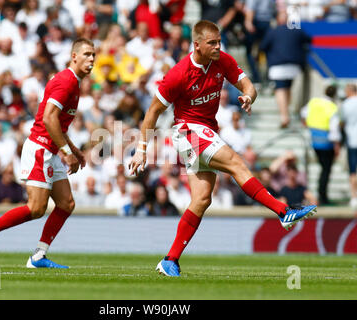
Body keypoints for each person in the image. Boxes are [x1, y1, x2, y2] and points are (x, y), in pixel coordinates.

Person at [128, 20, 317, 277]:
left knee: (202, 199)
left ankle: (170, 260)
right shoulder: (178, 74)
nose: (218, 46)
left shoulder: (222, 60)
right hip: (187, 131)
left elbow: (248, 85)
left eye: (219, 41)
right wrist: (141, 149)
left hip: (206, 131)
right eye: (212, 43)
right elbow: (152, 113)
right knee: (236, 163)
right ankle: (283, 211)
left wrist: (249, 97)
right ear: (196, 45)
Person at [0, 38, 95, 268]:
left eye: (93, 55)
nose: (92, 59)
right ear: (74, 56)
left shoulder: (73, 83)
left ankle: (38, 256)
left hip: (51, 149)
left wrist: (74, 150)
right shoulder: (66, 82)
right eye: (87, 54)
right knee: (36, 208)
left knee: (66, 204)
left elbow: (58, 124)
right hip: (40, 148)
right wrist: (67, 152)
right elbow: (48, 118)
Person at [301, 84, 341, 205]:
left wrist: (306, 124)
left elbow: (303, 113)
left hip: (314, 139)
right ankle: (322, 195)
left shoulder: (314, 101)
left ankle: (321, 193)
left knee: (323, 168)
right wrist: (337, 145)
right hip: (326, 142)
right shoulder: (333, 107)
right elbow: (334, 129)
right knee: (326, 169)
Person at [340, 83, 357, 209]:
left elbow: (342, 122)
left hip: (352, 140)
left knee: (353, 170)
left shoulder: (346, 104)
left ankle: (354, 196)